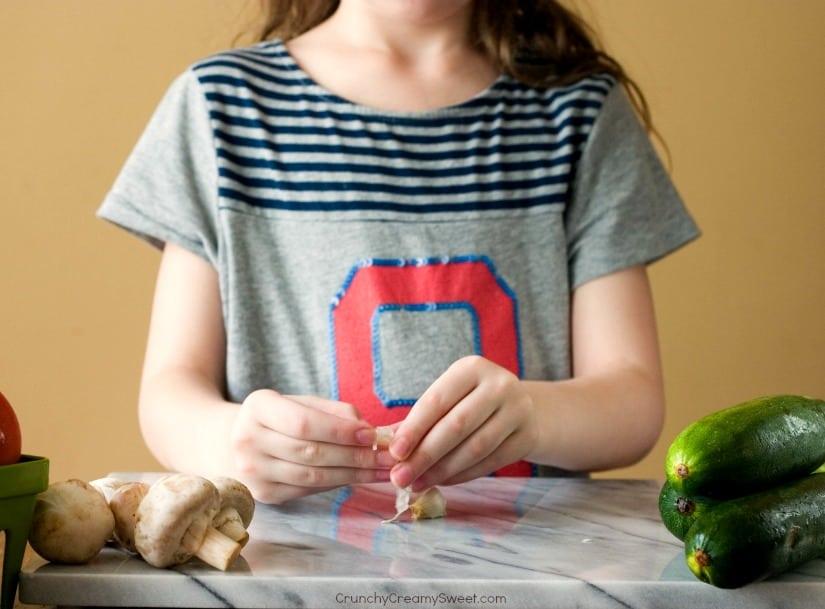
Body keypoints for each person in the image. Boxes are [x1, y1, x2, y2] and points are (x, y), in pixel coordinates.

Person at [98, 0, 699, 505]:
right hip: (286, 572)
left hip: (534, 577)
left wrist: (534, 415)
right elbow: (170, 390)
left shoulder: (581, 111)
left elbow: (631, 400)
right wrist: (232, 439)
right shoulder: (219, 106)